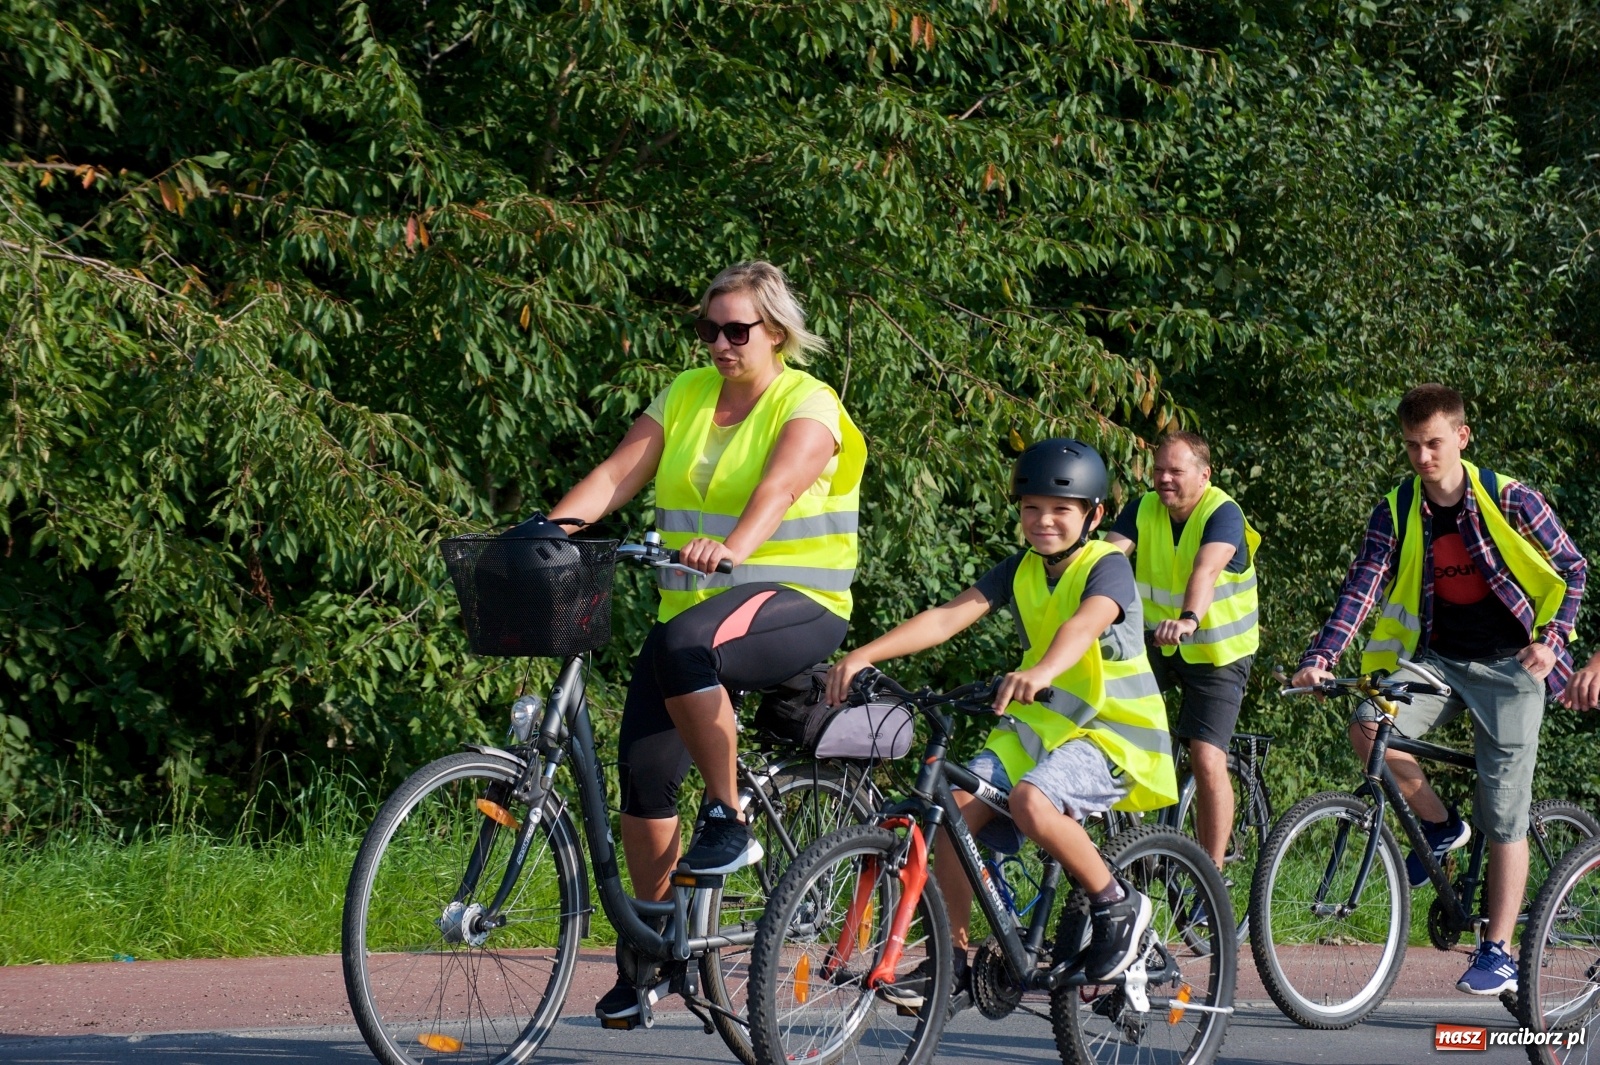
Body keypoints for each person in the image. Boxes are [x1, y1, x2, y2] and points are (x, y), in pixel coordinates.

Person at [548, 260, 866, 1022]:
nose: (719, 343)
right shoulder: (687, 394)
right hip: (697, 613)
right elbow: (618, 473)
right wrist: (547, 532)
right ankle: (656, 955)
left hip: (798, 600)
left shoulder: (809, 401)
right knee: (644, 776)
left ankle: (729, 815)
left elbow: (779, 487)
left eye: (736, 330)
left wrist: (735, 544)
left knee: (687, 644)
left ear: (776, 332)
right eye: (708, 328)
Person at [827, 438, 1178, 1003]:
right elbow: (946, 617)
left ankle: (1118, 904)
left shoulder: (1107, 565)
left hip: (1114, 732)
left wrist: (1040, 669)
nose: (1043, 521)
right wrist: (865, 655)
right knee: (948, 818)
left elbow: (1085, 624)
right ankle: (956, 964)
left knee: (1031, 802)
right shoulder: (1021, 570)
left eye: (1062, 510)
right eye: (1031, 508)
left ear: (1094, 515)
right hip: (1040, 727)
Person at [1291, 383, 1587, 996]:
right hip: (1439, 662)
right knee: (1367, 724)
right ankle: (1443, 824)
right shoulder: (1398, 507)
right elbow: (1362, 587)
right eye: (1411, 446)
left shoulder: (1509, 498)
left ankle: (1498, 949)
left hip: (1513, 668)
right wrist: (1321, 657)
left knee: (1505, 809)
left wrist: (1552, 639)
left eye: (1433, 443)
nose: (1423, 457)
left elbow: (1573, 568)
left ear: (1461, 436)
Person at [1105, 431, 1260, 875]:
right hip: (1158, 641)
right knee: (1105, 716)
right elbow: (1109, 560)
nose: (1164, 479)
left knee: (1206, 756)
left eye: (1175, 471)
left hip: (1217, 652)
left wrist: (1190, 617)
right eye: (1158, 470)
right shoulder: (1142, 508)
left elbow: (1206, 570)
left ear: (1204, 475)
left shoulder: (1222, 512)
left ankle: (1210, 876)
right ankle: (1126, 832)